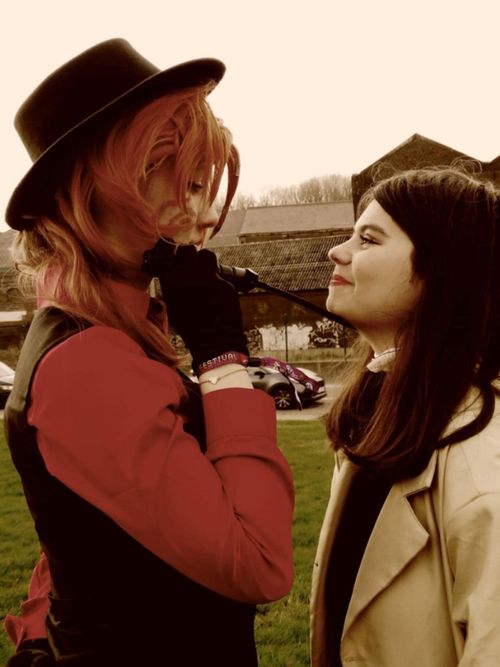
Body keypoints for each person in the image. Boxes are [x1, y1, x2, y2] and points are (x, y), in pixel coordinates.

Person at [3, 38, 294, 666]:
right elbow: (260, 562)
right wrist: (221, 357)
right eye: (186, 180)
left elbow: (77, 535)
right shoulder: (88, 360)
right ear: (101, 184)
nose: (204, 213)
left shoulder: (109, 329)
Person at [310, 166, 500, 666]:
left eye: (368, 239)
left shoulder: (484, 463)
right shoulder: (383, 414)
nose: (337, 252)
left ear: (443, 271)